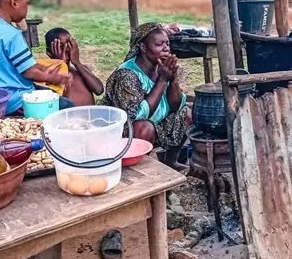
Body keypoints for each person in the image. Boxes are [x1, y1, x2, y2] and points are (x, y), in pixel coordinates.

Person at [0, 0, 74, 114]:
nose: (27, 8)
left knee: (51, 94)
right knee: (66, 106)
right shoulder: (12, 35)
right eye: (27, 3)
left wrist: (43, 69)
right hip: (15, 100)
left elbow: (22, 63)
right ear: (15, 2)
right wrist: (50, 77)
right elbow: (29, 72)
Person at [103, 22, 189, 166]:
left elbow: (176, 105)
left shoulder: (163, 67)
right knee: (145, 128)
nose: (166, 48)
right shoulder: (127, 75)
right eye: (159, 44)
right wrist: (162, 80)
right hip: (125, 129)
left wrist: (172, 78)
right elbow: (137, 116)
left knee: (187, 114)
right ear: (143, 48)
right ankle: (140, 168)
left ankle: (170, 162)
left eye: (167, 43)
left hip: (156, 120)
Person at [35, 28, 104, 107]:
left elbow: (99, 90)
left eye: (69, 45)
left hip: (90, 114)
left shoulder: (80, 70)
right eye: (61, 47)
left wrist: (77, 63)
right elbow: (61, 104)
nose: (67, 50)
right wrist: (61, 66)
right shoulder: (48, 76)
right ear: (49, 53)